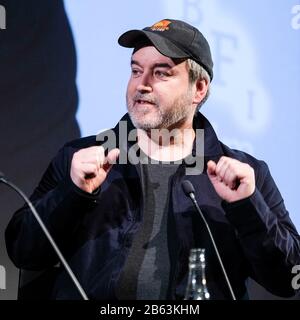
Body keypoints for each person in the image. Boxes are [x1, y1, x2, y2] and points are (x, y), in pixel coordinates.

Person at [5, 19, 300, 300]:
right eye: (135, 71)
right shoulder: (80, 159)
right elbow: (22, 251)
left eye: (161, 73)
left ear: (199, 89)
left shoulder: (244, 173)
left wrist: (247, 206)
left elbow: (288, 279)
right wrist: (73, 193)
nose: (142, 84)